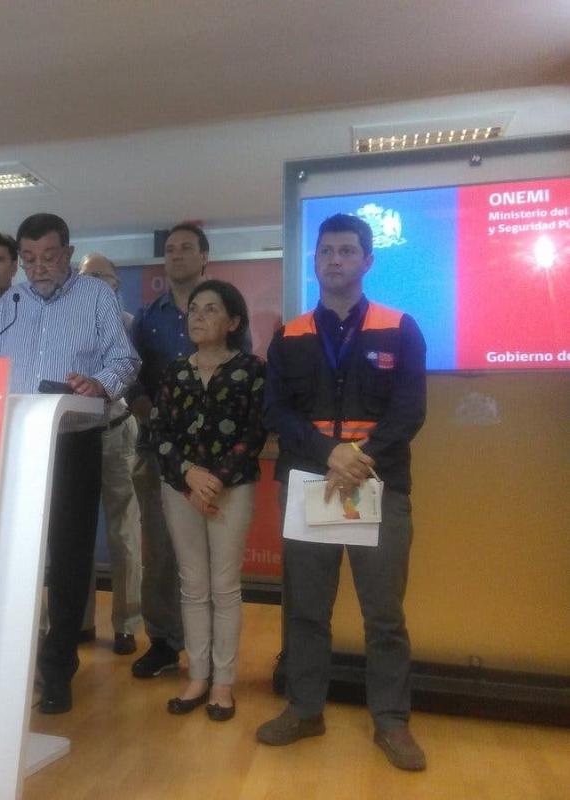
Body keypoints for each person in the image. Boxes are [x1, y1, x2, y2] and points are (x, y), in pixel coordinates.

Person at [257, 213, 428, 771]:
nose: (335, 259)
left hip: (379, 486)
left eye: (347, 250)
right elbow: (276, 411)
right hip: (310, 484)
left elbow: (409, 412)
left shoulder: (400, 327)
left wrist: (359, 457)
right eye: (326, 250)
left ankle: (391, 722)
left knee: (384, 615)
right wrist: (330, 452)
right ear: (314, 261)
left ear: (367, 260)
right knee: (306, 609)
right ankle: (305, 710)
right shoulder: (290, 335)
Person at [0, 214, 139, 714]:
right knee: (16, 551)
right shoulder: (12, 302)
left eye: (48, 257)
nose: (38, 267)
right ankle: (13, 658)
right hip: (16, 443)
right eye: (28, 259)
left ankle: (58, 667)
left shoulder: (96, 296)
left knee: (68, 557)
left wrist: (99, 384)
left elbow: (125, 360)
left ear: (67, 253)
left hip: (73, 439)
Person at [150, 280, 266, 720]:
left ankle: (223, 682)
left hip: (230, 490)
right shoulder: (174, 372)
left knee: (225, 586)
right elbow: (159, 432)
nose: (198, 317)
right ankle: (197, 676)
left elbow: (254, 433)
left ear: (233, 322)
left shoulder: (252, 370)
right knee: (193, 585)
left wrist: (213, 480)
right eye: (194, 309)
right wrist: (188, 475)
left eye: (210, 309)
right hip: (180, 487)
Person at [127, 222, 209, 678]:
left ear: (204, 257)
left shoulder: (221, 308)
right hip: (156, 450)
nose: (176, 255)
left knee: (207, 553)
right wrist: (145, 409)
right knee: (159, 552)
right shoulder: (148, 317)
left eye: (186, 248)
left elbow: (241, 370)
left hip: (209, 454)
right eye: (170, 249)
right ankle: (162, 642)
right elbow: (130, 374)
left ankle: (208, 647)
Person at [77, 253, 143, 655]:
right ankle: (80, 621)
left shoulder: (131, 325)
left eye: (100, 276)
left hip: (118, 432)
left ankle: (127, 624)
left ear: (116, 284)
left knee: (125, 533)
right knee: (76, 532)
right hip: (76, 436)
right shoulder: (70, 325)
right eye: (85, 277)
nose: (92, 283)